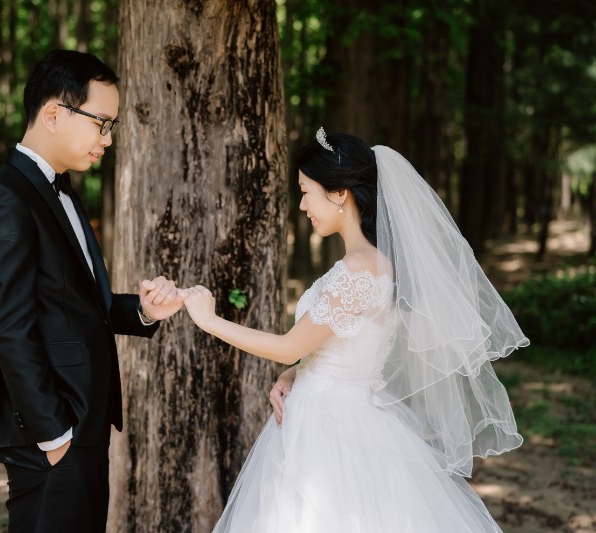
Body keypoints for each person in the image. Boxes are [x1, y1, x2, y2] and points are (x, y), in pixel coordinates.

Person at [180, 131, 528, 532]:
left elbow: (287, 345)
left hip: (331, 431)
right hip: (327, 412)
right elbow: (344, 344)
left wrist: (210, 321)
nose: (303, 204)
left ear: (340, 193)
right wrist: (295, 372)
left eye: (307, 191)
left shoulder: (360, 270)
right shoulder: (366, 263)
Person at [0, 50, 185, 533]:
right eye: (101, 123)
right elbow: (10, 330)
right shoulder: (5, 199)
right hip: (52, 432)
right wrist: (54, 436)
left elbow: (76, 306)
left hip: (84, 422)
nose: (107, 140)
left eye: (113, 127)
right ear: (53, 114)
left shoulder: (60, 189)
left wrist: (143, 311)